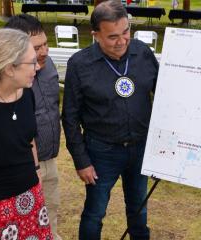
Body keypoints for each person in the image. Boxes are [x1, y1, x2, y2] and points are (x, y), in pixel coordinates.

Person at [62, 0, 159, 239]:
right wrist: (81, 160)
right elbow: (70, 117)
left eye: (126, 32)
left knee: (138, 208)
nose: (122, 41)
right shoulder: (79, 64)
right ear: (96, 35)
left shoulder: (143, 53)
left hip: (139, 148)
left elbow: (164, 95)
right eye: (112, 36)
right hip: (101, 152)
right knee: (95, 212)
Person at [0, 29, 52, 239]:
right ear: (10, 68)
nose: (37, 67)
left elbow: (28, 139)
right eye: (31, 62)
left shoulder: (26, 93)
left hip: (30, 197)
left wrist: (36, 172)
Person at [5, 14, 62, 240]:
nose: (45, 51)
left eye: (46, 44)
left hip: (49, 160)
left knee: (51, 213)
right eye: (37, 47)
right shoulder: (7, 81)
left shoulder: (48, 70)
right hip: (20, 168)